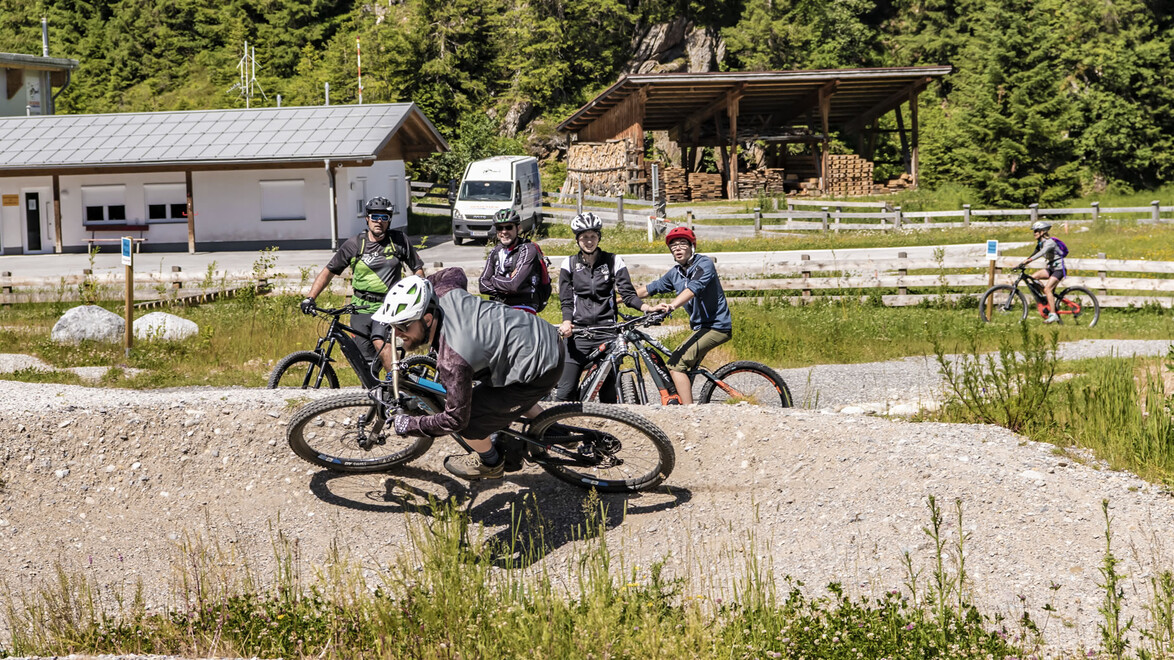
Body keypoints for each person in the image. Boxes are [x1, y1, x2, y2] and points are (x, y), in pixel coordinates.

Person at [374, 268, 565, 480]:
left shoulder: (453, 359)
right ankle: (556, 430)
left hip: (541, 368)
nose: (397, 333)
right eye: (393, 325)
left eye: (402, 326)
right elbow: (456, 272)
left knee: (471, 423)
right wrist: (418, 288)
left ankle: (490, 463)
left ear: (427, 319)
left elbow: (455, 420)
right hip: (542, 336)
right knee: (499, 392)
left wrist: (410, 425)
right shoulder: (445, 292)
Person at [301, 196, 425, 371]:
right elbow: (328, 271)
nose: (379, 222)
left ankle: (398, 389)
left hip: (387, 307)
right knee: (364, 363)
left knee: (380, 342)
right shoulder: (355, 244)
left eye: (384, 217)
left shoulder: (398, 241)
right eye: (375, 217)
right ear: (367, 218)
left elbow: (418, 270)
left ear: (389, 220)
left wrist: (417, 296)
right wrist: (310, 298)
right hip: (359, 308)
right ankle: (372, 394)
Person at [553, 212, 649, 401]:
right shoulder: (569, 264)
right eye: (584, 237)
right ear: (577, 240)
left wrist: (647, 308)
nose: (589, 241)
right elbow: (566, 300)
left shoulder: (613, 261)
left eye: (592, 236)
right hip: (578, 334)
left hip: (607, 333)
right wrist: (566, 322)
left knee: (607, 392)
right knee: (565, 392)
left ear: (599, 237)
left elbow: (628, 295)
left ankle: (605, 429)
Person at [636, 226, 732, 404]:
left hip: (716, 326)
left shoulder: (704, 264)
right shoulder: (676, 273)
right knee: (679, 362)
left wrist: (672, 306)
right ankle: (681, 399)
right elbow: (651, 288)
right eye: (673, 245)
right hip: (700, 328)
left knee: (676, 366)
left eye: (682, 243)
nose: (677, 248)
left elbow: (693, 289)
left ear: (692, 246)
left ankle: (688, 413)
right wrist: (617, 298)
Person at [478, 208, 547, 313]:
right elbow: (482, 284)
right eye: (500, 228)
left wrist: (493, 279)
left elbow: (514, 285)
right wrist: (507, 287)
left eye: (509, 227)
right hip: (499, 305)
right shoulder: (495, 251)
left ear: (518, 228)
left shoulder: (528, 249)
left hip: (524, 304)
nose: (504, 231)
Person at [1018, 220, 1066, 323]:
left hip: (1059, 269)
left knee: (1048, 289)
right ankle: (1047, 298)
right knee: (1033, 277)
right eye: (1034, 231)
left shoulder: (1049, 243)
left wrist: (1029, 260)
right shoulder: (1040, 243)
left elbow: (1042, 253)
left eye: (1036, 231)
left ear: (1043, 232)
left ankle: (1053, 315)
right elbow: (1035, 252)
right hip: (1051, 268)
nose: (1034, 233)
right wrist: (1023, 263)